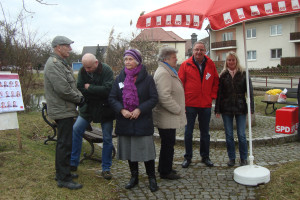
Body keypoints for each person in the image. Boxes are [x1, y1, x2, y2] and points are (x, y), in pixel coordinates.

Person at [109, 49, 159, 192]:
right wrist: (122, 110)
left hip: (142, 120)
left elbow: (154, 98)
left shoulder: (148, 78)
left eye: (130, 59)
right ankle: (134, 177)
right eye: (126, 60)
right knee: (131, 151)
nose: (128, 62)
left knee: (147, 152)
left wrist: (139, 109)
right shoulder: (119, 79)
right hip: (125, 121)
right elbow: (112, 98)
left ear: (137, 61)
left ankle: (151, 178)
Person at [44, 36, 84, 190]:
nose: (70, 48)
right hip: (62, 110)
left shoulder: (60, 63)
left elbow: (69, 86)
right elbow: (63, 89)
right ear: (58, 47)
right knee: (64, 144)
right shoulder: (54, 65)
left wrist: (79, 97)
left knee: (64, 142)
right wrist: (79, 99)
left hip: (65, 109)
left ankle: (62, 172)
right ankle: (63, 178)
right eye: (67, 46)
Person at [70, 53, 115, 180]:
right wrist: (96, 91)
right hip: (88, 107)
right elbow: (79, 87)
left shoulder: (106, 70)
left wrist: (90, 88)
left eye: (89, 67)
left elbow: (108, 90)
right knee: (76, 130)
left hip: (105, 109)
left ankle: (106, 168)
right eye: (85, 67)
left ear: (96, 63)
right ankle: (73, 162)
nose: (87, 70)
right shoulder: (83, 70)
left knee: (107, 138)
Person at [178, 41, 219, 168]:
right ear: (192, 51)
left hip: (205, 104)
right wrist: (182, 102)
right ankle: (188, 157)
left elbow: (215, 82)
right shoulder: (185, 65)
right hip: (190, 104)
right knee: (188, 132)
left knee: (205, 133)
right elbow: (180, 84)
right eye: (196, 50)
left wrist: (212, 96)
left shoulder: (210, 64)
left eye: (201, 50)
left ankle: (205, 156)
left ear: (205, 51)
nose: (199, 52)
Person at [215, 51, 254, 166]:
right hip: (226, 108)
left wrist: (251, 109)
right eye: (229, 60)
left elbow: (250, 92)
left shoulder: (243, 73)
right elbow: (219, 94)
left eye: (233, 60)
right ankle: (231, 157)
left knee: (241, 134)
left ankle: (243, 158)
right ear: (226, 62)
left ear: (236, 60)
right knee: (229, 135)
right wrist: (217, 109)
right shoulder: (222, 75)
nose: (231, 62)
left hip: (241, 107)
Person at [153, 46, 186, 180]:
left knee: (168, 143)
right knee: (168, 144)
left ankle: (164, 167)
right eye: (174, 57)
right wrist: (177, 109)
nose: (176, 59)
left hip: (168, 116)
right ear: (166, 59)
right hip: (166, 116)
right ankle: (165, 172)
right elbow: (163, 96)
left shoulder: (167, 71)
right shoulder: (164, 73)